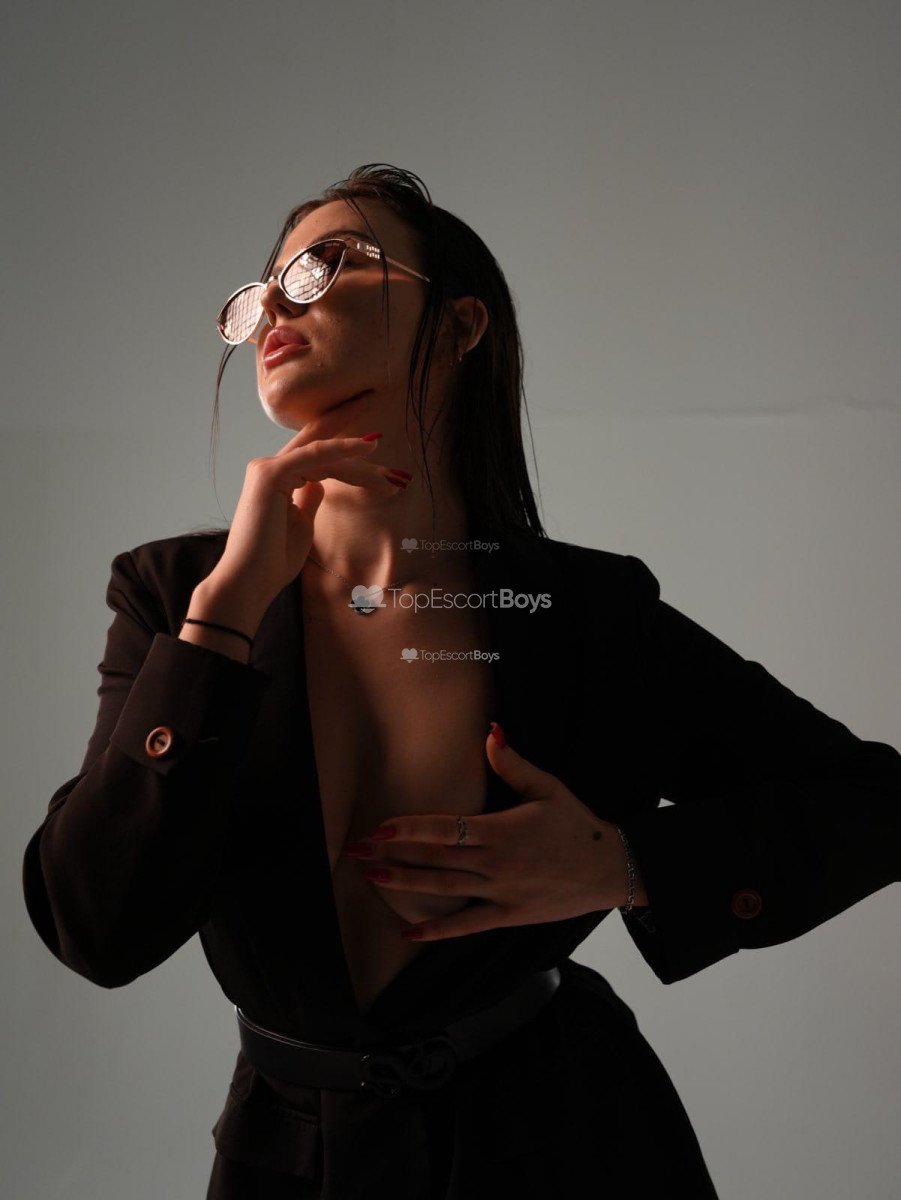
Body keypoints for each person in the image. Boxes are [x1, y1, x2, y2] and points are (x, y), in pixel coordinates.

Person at [22, 164, 901, 1200]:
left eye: (326, 266)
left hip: (571, 1145)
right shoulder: (174, 596)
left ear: (457, 325)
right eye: (265, 289)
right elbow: (96, 929)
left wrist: (626, 867)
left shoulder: (589, 614)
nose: (277, 308)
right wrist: (223, 615)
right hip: (291, 1164)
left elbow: (874, 800)